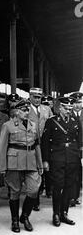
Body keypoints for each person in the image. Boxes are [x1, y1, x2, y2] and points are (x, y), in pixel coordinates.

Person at [0, 99, 43, 233]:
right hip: (14, 163)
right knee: (14, 192)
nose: (26, 112)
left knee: (34, 190)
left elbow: (37, 145)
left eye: (28, 110)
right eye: (23, 110)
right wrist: (2, 167)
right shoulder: (8, 125)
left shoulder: (33, 125)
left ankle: (25, 216)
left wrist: (40, 164)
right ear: (16, 112)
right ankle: (15, 220)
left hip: (31, 162)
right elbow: (2, 148)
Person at [42, 96, 82, 227]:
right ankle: (56, 214)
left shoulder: (75, 121)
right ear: (59, 108)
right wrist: (45, 160)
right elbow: (45, 143)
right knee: (58, 186)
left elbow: (80, 140)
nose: (69, 111)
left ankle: (64, 213)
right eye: (66, 108)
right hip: (57, 158)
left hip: (72, 158)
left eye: (70, 108)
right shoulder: (51, 121)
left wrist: (79, 156)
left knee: (69, 186)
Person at [28, 87, 53, 211]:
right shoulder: (25, 109)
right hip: (31, 144)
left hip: (45, 144)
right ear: (30, 96)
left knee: (43, 169)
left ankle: (40, 193)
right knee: (34, 171)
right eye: (35, 97)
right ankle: (35, 200)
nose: (37, 100)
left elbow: (52, 124)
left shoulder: (47, 109)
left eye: (39, 97)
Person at [69, 92, 83, 207]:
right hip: (74, 149)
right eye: (75, 103)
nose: (77, 105)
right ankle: (74, 196)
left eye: (79, 102)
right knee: (75, 173)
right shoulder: (68, 115)